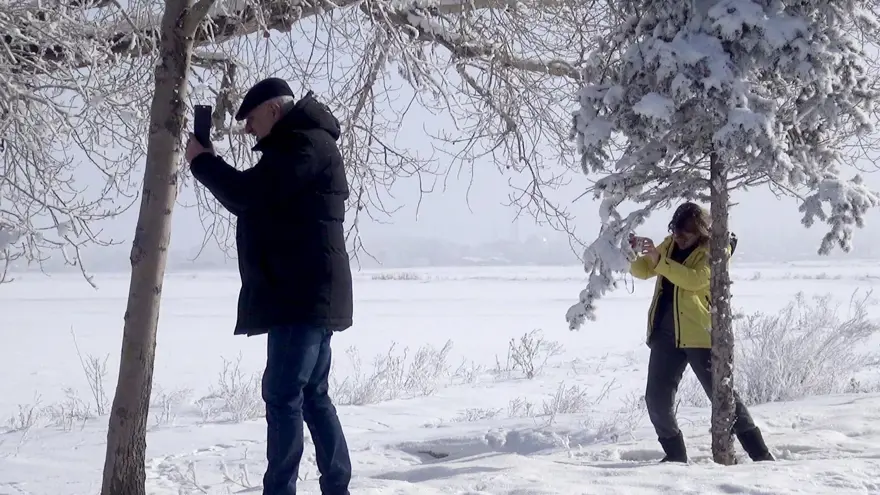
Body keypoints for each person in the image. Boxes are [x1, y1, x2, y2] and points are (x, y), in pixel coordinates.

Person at [185, 78, 353, 495]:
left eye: (252, 118)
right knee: (312, 396)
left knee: (282, 396)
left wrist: (203, 163)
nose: (248, 129)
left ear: (274, 111)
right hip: (307, 293)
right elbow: (261, 196)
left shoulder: (303, 146)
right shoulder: (302, 144)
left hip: (301, 296)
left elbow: (250, 195)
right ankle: (336, 487)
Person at [630, 202, 773, 464]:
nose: (679, 238)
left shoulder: (715, 251)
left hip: (700, 335)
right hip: (664, 334)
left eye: (686, 234)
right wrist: (640, 253)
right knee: (656, 400)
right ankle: (675, 456)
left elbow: (693, 281)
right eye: (675, 231)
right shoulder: (670, 244)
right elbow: (642, 271)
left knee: (724, 399)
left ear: (701, 233)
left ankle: (761, 455)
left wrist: (659, 261)